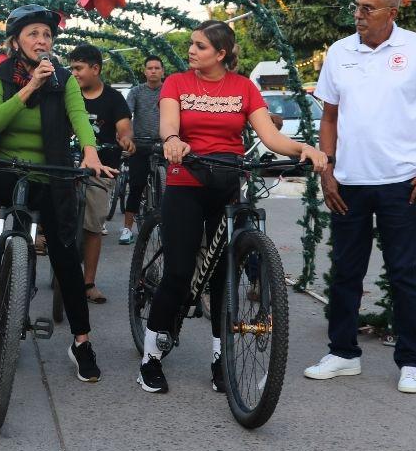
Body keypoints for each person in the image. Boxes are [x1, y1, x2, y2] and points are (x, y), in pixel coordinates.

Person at [138, 20, 326, 395]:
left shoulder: (243, 87)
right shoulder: (176, 82)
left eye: (200, 46)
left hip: (226, 183)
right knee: (178, 272)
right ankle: (150, 359)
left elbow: (270, 137)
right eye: (192, 44)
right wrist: (173, 140)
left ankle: (220, 357)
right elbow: (169, 124)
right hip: (186, 181)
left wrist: (303, 148)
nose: (191, 50)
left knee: (225, 276)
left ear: (221, 54)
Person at [305, 0, 416, 395]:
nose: (358, 15)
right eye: (357, 7)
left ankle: (411, 362)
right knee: (345, 272)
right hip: (349, 183)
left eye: (368, 8)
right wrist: (327, 170)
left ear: (392, 12)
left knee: (402, 275)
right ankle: (343, 354)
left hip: (403, 184)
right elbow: (329, 118)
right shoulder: (339, 52)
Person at [0, 4, 112, 384]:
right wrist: (30, 87)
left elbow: (79, 117)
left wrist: (91, 151)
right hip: (5, 168)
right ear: (15, 42)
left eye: (47, 35)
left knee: (65, 254)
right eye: (33, 34)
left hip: (50, 173)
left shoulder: (64, 79)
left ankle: (81, 342)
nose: (41, 40)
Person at [68, 44, 134, 304]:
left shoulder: (114, 99)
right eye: (72, 68)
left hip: (100, 169)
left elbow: (125, 128)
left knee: (93, 226)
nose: (74, 73)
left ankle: (89, 283)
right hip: (67, 166)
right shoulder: (67, 94)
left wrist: (126, 139)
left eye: (79, 68)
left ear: (95, 69)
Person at [122, 55, 164, 245]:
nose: (153, 71)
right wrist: (126, 136)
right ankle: (127, 229)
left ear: (162, 71)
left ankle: (167, 225)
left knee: (170, 187)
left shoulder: (169, 90)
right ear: (145, 71)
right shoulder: (136, 92)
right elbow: (126, 114)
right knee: (136, 185)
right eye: (150, 68)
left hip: (163, 145)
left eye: (157, 68)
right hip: (140, 144)